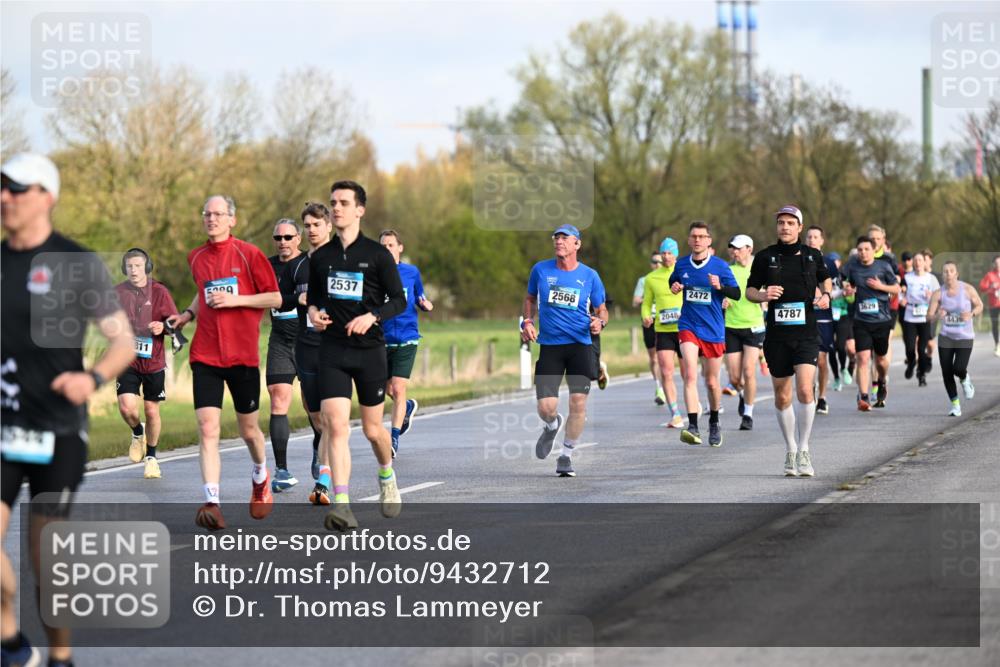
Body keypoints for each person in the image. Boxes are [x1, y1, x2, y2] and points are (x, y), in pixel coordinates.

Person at [2, 153, 134, 667]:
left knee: (47, 563)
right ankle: (12, 643)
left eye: (17, 189)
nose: (5, 198)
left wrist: (93, 377)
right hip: (3, 425)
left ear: (47, 196)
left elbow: (123, 342)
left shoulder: (76, 264)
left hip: (57, 432)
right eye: (2, 189)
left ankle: (61, 658)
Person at [167, 195, 281, 530]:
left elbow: (274, 297)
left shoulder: (250, 255)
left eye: (219, 214)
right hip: (206, 354)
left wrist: (237, 300)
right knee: (207, 429)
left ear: (232, 219)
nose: (212, 219)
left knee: (248, 430)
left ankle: (261, 475)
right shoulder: (196, 257)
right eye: (207, 214)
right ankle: (212, 502)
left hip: (243, 355)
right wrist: (188, 314)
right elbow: (204, 293)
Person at [307, 181, 407, 531]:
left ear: (359, 210)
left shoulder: (378, 256)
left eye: (344, 203)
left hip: (369, 351)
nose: (336, 209)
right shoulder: (320, 257)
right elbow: (314, 300)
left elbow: (399, 300)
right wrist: (314, 315)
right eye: (333, 202)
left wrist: (373, 315)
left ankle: (386, 474)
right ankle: (343, 505)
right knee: (335, 425)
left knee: (372, 429)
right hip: (333, 349)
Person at [746, 206, 831, 477]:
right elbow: (749, 291)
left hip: (806, 333)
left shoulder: (812, 256)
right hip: (777, 336)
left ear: (799, 227)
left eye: (790, 223)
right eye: (781, 222)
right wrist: (763, 295)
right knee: (783, 396)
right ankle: (791, 448)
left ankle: (805, 449)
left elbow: (826, 280)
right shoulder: (764, 257)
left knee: (806, 390)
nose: (785, 227)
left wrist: (826, 295)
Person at [522, 224, 608, 477]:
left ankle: (566, 455)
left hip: (580, 345)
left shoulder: (590, 276)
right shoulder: (540, 270)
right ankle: (551, 426)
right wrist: (527, 321)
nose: (559, 241)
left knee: (578, 403)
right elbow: (529, 299)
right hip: (550, 346)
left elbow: (602, 309)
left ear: (577, 244)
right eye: (556, 237)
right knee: (546, 407)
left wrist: (599, 321)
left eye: (564, 238)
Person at [668, 221, 740, 447]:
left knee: (711, 382)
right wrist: (675, 287)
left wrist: (720, 287)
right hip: (688, 325)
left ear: (709, 241)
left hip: (713, 329)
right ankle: (693, 426)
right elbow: (674, 280)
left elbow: (736, 293)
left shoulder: (719, 267)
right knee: (689, 374)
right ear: (689, 240)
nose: (697, 240)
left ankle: (715, 422)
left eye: (702, 236)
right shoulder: (681, 265)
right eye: (694, 236)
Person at [114, 247, 179, 479]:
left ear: (146, 268)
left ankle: (151, 457)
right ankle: (137, 431)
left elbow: (175, 322)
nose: (134, 270)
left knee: (151, 410)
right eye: (130, 266)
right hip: (127, 360)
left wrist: (164, 327)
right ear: (125, 269)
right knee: (126, 407)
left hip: (153, 360)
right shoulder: (117, 292)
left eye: (138, 266)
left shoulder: (159, 291)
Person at [379, 229, 433, 456]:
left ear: (400, 248)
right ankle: (408, 407)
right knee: (386, 389)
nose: (387, 249)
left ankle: (393, 439)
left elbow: (419, 295)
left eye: (391, 245)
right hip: (380, 340)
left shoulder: (411, 272)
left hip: (407, 338)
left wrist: (424, 303)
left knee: (398, 388)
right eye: (383, 246)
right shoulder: (374, 275)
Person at [266, 218, 309, 492]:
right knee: (277, 398)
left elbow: (307, 299)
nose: (282, 242)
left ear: (298, 239)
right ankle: (282, 470)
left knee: (313, 409)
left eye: (287, 237)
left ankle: (321, 455)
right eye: (278, 238)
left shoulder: (307, 264)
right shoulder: (266, 266)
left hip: (307, 338)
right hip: (280, 338)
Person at [294, 203, 334, 504]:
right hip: (305, 345)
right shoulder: (298, 263)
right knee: (316, 416)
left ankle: (323, 482)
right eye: (307, 225)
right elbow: (279, 297)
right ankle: (319, 446)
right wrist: (298, 297)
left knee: (332, 419)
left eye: (316, 225)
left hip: (334, 346)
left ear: (328, 226)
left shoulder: (340, 258)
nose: (311, 230)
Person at [841, 235, 900, 411]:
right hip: (861, 321)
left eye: (866, 249)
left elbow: (896, 289)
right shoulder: (852, 265)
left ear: (874, 250)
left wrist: (880, 287)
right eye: (860, 250)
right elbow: (844, 282)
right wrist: (847, 288)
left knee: (881, 361)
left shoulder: (884, 266)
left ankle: (881, 381)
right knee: (863, 358)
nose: (863, 253)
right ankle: (864, 397)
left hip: (882, 320)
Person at [721, 234, 765, 431]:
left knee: (749, 371)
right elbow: (722, 292)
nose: (735, 252)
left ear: (749, 248)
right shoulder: (727, 270)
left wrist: (766, 298)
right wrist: (724, 300)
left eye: (738, 248)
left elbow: (771, 290)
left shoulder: (760, 269)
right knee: (734, 378)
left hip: (753, 326)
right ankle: (741, 394)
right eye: (733, 248)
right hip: (731, 326)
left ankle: (748, 414)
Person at [928, 262, 983, 416]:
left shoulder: (967, 289)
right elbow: (929, 317)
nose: (948, 274)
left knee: (958, 368)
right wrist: (938, 315)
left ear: (957, 274)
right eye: (945, 271)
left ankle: (965, 380)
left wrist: (971, 313)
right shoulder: (938, 293)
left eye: (951, 271)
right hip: (946, 337)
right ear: (943, 275)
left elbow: (980, 305)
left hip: (965, 337)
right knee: (946, 372)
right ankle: (955, 405)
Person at [641, 238, 685, 429]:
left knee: (687, 374)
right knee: (666, 372)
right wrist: (645, 316)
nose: (666, 256)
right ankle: (675, 413)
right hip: (664, 329)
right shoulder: (652, 278)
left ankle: (693, 404)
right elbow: (646, 303)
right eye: (663, 253)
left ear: (675, 254)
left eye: (669, 253)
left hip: (685, 329)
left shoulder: (685, 272)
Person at [804, 226, 840, 415]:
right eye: (809, 237)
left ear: (822, 241)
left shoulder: (829, 263)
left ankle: (823, 397)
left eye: (815, 237)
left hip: (824, 316)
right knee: (808, 359)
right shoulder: (800, 260)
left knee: (822, 359)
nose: (811, 240)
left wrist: (825, 295)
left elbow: (838, 290)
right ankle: (809, 391)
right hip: (805, 315)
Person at [900, 252, 940, 386]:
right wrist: (902, 299)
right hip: (910, 316)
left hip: (924, 317)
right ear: (913, 263)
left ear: (924, 263)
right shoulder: (906, 277)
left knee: (921, 349)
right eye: (915, 260)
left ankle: (921, 374)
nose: (917, 263)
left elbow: (939, 296)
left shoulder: (931, 278)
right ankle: (911, 362)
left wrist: (931, 297)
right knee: (910, 348)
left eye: (920, 260)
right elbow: (900, 292)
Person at [634, 252, 665, 404]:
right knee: (654, 357)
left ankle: (664, 387)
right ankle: (658, 386)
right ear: (651, 264)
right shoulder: (644, 280)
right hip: (649, 320)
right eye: (654, 262)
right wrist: (648, 297)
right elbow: (635, 301)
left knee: (664, 356)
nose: (657, 264)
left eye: (660, 261)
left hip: (665, 320)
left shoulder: (669, 277)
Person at [826, 251, 851, 391]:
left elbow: (851, 297)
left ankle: (843, 368)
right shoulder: (823, 277)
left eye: (835, 261)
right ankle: (835, 377)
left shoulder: (844, 277)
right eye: (830, 262)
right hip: (828, 316)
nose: (833, 264)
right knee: (830, 349)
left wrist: (848, 292)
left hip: (842, 315)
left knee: (840, 346)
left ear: (839, 263)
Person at [978, 255, 1000, 357]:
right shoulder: (990, 275)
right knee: (995, 324)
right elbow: (982, 286)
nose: (998, 265)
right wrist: (990, 286)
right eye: (996, 263)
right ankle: (997, 344)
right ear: (994, 264)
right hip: (994, 304)